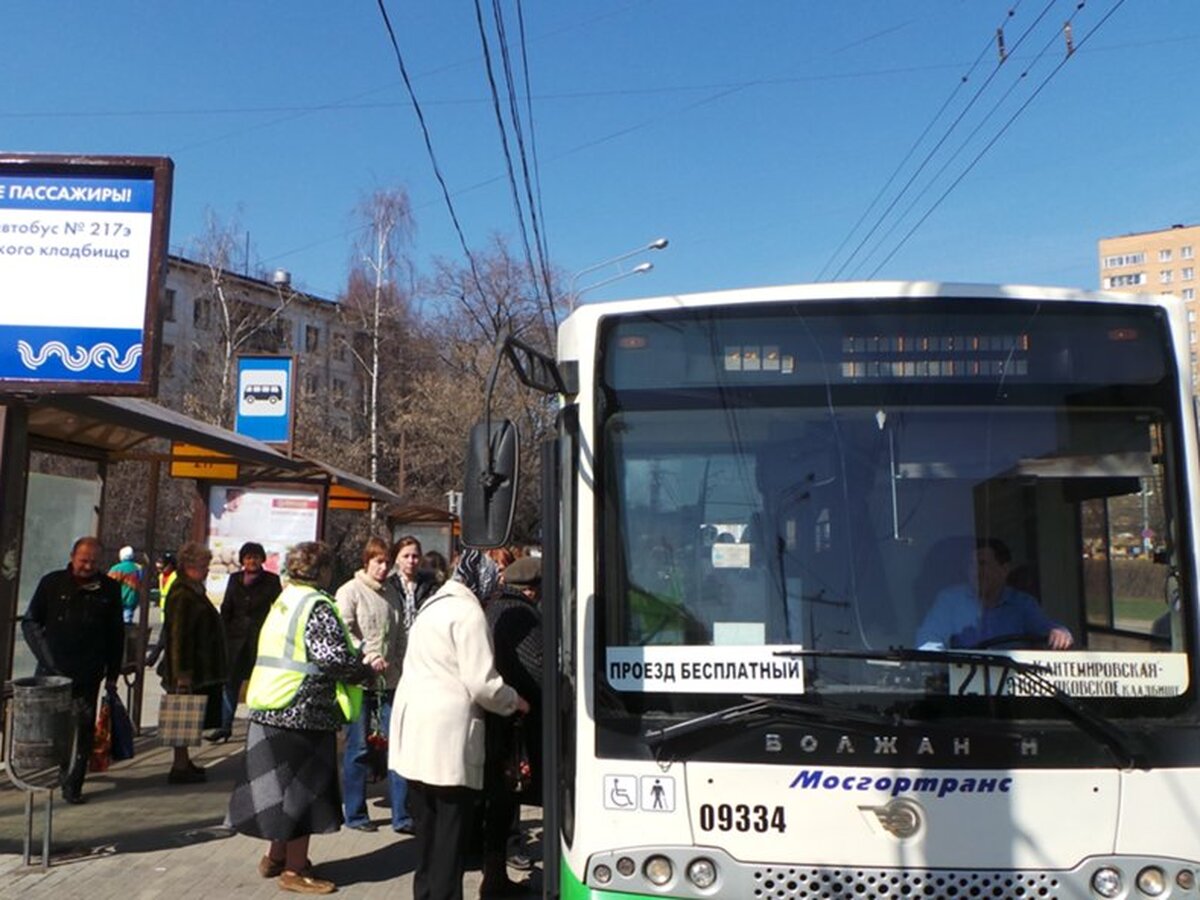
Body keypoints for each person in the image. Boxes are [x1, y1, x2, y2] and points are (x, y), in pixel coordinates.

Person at [228, 541, 383, 896]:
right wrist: (364, 671)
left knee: (280, 790)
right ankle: (295, 871)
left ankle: (276, 856)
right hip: (303, 710)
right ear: (324, 570)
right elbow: (332, 659)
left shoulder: (285, 600)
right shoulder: (317, 606)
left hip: (270, 704)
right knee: (304, 793)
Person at [390, 549, 530, 900]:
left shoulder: (432, 605)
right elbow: (482, 682)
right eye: (493, 585)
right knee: (450, 839)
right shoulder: (468, 612)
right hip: (447, 738)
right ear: (479, 581)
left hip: (415, 732)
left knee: (427, 835)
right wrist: (515, 700)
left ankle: (424, 896)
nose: (494, 593)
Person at [22, 536, 125, 804]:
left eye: (93, 561)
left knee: (82, 728)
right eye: (83, 560)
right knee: (54, 728)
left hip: (88, 672)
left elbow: (116, 634)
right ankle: (56, 771)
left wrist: (113, 673)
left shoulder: (108, 589)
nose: (88, 566)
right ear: (72, 557)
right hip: (53, 674)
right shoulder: (52, 583)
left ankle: (73, 784)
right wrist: (46, 657)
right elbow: (31, 622)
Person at [337, 536, 426, 833]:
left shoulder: (391, 594)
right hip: (360, 683)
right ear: (367, 561)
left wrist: (400, 666)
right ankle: (356, 814)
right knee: (359, 748)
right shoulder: (350, 591)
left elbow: (400, 632)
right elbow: (344, 629)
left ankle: (402, 816)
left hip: (390, 683)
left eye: (387, 562)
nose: (383, 567)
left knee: (397, 747)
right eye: (378, 561)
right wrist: (368, 654)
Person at [479, 555, 543, 897]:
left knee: (497, 807)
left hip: (491, 721)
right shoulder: (522, 615)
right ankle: (495, 883)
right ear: (532, 590)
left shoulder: (492, 608)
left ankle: (494, 878)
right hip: (511, 724)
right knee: (504, 806)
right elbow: (540, 671)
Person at [916, 538, 1074, 650]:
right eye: (970, 565)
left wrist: (1060, 633)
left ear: (1004, 569)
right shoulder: (949, 600)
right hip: (963, 687)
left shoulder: (1022, 604)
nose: (975, 571)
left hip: (1012, 689)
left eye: (982, 564)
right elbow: (929, 640)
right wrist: (940, 668)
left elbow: (1047, 629)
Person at [158, 541, 227, 784]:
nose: (207, 570)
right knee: (182, 714)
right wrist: (182, 673)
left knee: (188, 715)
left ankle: (183, 762)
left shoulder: (193, 589)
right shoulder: (182, 593)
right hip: (187, 668)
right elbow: (178, 635)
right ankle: (179, 765)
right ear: (189, 565)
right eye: (203, 565)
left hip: (195, 666)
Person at [212, 541, 282, 742]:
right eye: (248, 557)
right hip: (234, 641)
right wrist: (222, 634)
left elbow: (278, 609)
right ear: (242, 560)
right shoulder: (235, 579)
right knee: (230, 684)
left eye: (256, 557)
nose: (252, 561)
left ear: (262, 559)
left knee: (260, 684)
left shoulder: (271, 580)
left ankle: (260, 727)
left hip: (260, 640)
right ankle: (225, 726)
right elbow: (226, 608)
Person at [108, 545, 143, 626]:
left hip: (118, 600)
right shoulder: (139, 568)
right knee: (127, 623)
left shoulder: (116, 568)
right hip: (132, 599)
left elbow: (108, 584)